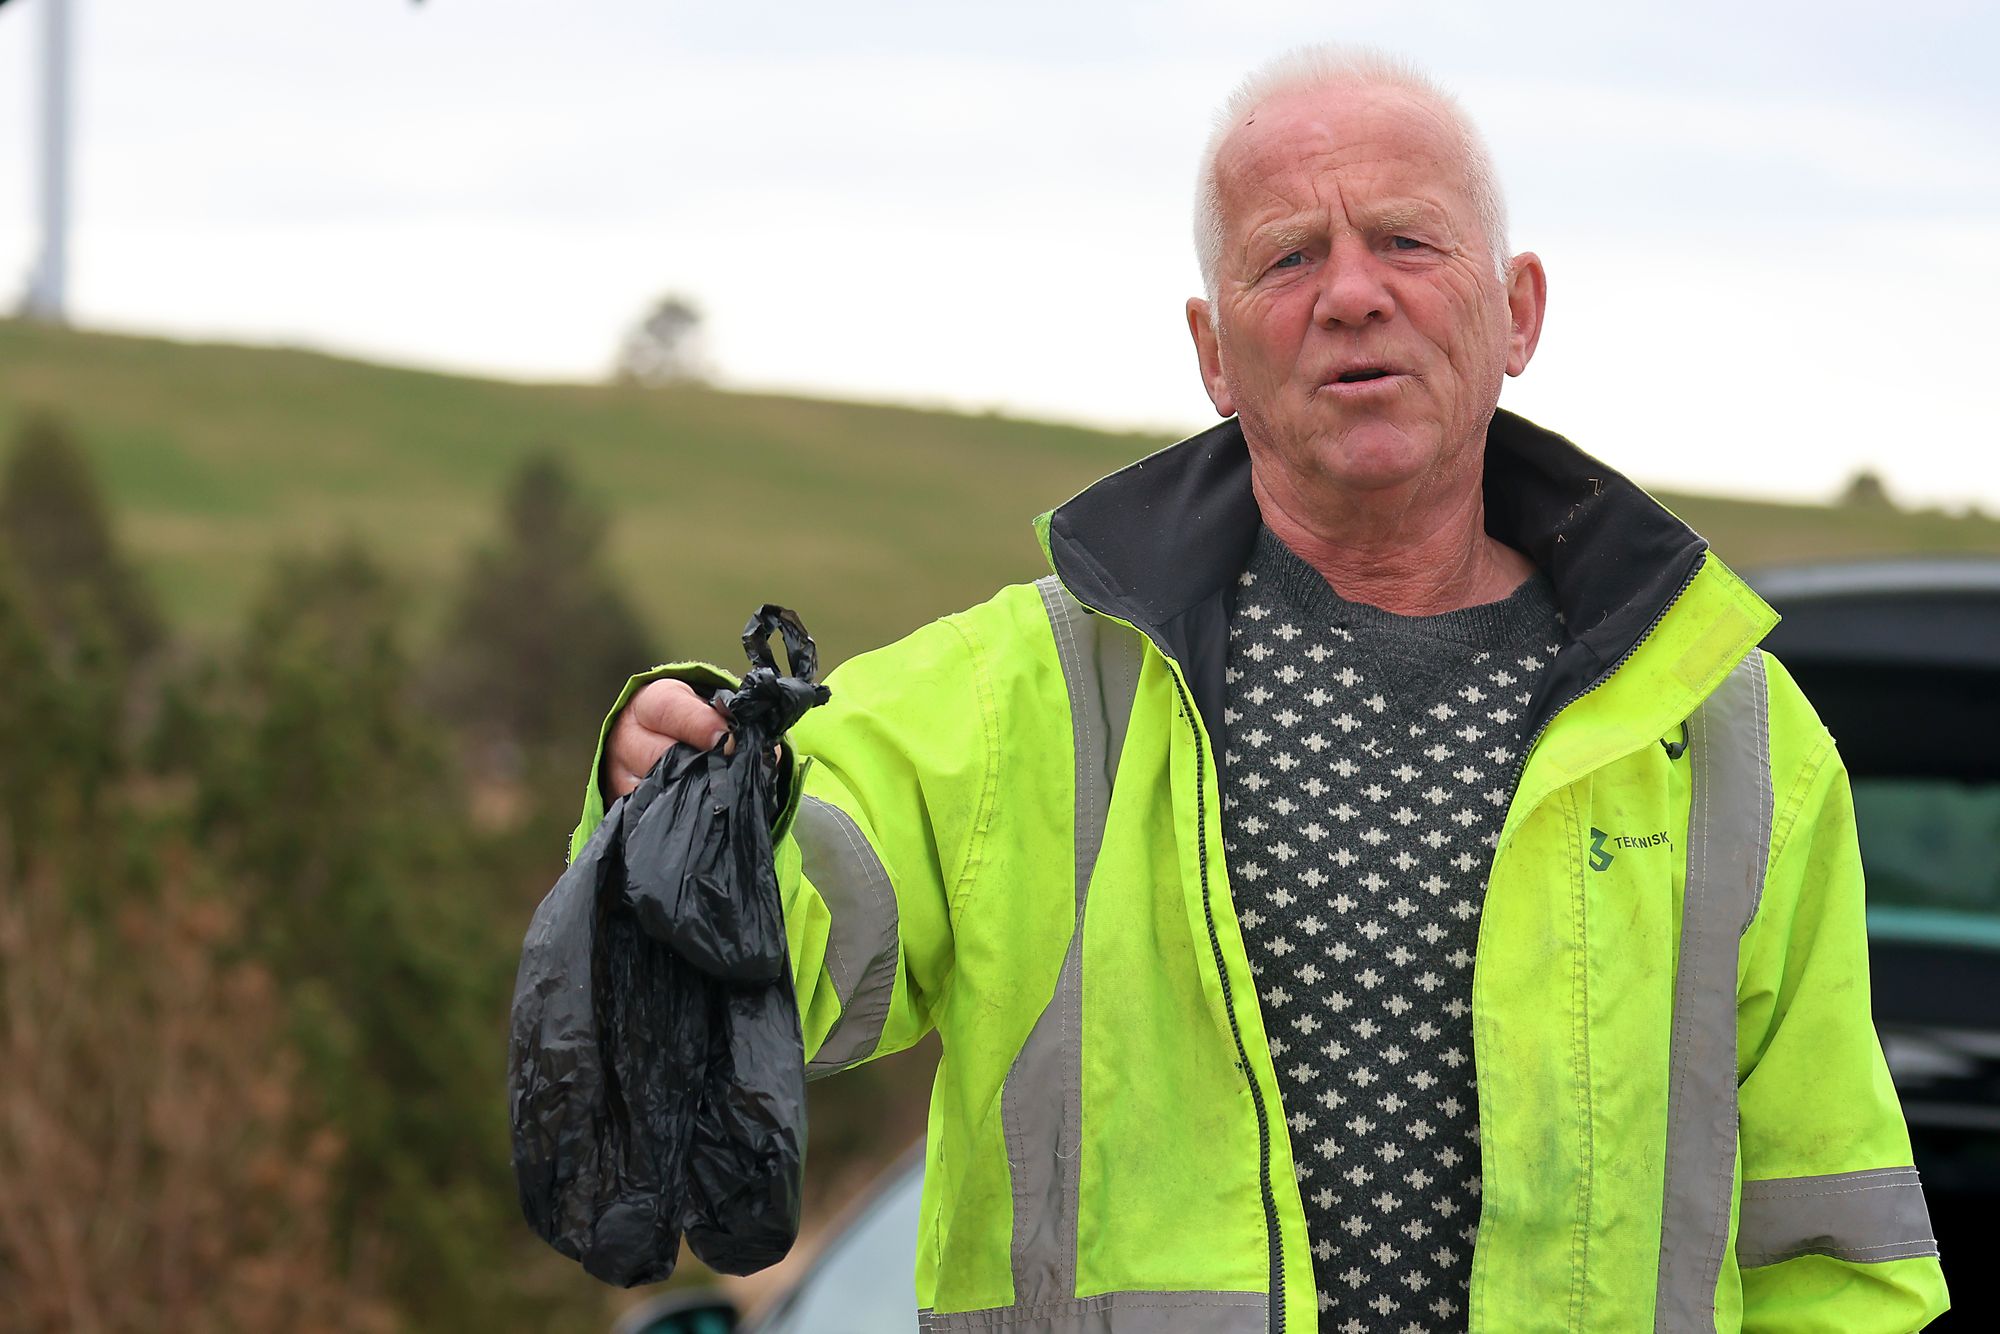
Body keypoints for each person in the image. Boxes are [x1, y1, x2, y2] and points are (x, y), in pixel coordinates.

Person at [574, 46, 1948, 1333]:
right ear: (1214, 349)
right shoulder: (1022, 696)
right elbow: (771, 933)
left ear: (1516, 309)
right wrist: (674, 799)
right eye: (1289, 255)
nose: (1353, 292)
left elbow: (1834, 1240)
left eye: (1407, 240)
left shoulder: (1733, 735)